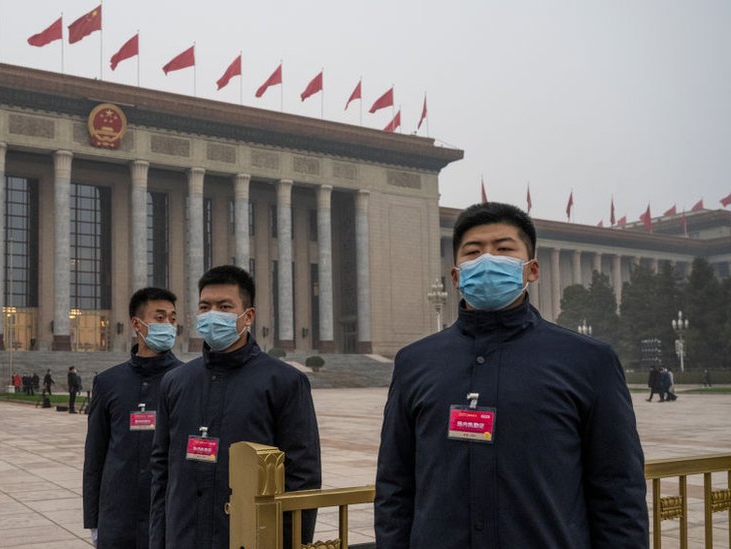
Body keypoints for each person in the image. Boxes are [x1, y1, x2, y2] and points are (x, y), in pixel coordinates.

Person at [374, 202, 647, 548]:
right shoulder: (416, 362)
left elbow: (617, 491)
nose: (487, 260)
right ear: (456, 275)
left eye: (503, 249)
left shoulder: (588, 361)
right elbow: (395, 486)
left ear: (531, 269)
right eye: (473, 252)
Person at [150, 266, 321, 549]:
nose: (212, 314)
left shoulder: (284, 382)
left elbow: (301, 478)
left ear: (248, 316)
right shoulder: (176, 382)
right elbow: (161, 471)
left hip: (249, 539)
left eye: (224, 306)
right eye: (205, 307)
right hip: (184, 537)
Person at [84, 287, 184, 549]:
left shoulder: (187, 380)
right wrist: (93, 519)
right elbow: (95, 455)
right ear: (136, 324)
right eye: (160, 318)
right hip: (118, 517)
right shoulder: (108, 382)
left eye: (173, 319)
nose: (168, 325)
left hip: (167, 516)